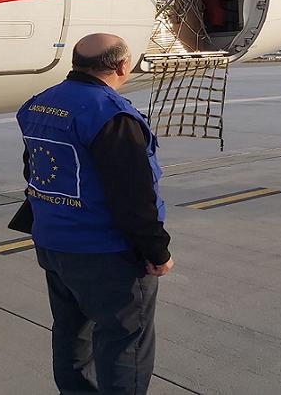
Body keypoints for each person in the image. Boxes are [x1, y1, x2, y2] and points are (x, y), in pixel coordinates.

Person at [16, 33, 173, 395]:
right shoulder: (110, 115)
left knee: (71, 333)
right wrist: (157, 251)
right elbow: (133, 196)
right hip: (105, 254)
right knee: (125, 341)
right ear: (122, 65)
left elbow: (34, 169)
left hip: (53, 243)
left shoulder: (39, 104)